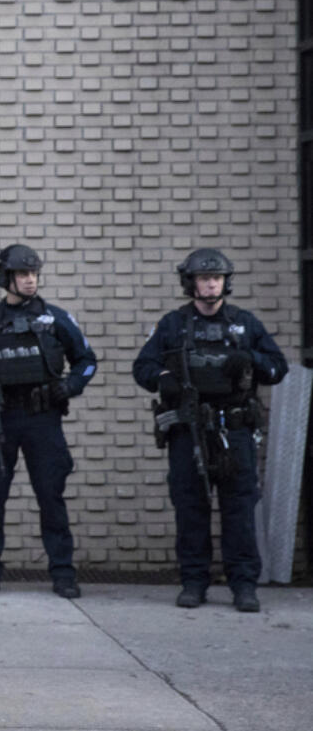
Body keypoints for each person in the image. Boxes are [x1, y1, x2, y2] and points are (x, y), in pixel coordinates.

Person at [132, 248, 287, 612]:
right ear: (191, 283)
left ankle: (243, 585)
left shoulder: (244, 323)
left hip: (234, 431)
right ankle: (194, 582)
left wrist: (251, 360)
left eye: (216, 277)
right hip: (189, 430)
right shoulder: (173, 324)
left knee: (239, 508)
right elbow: (142, 368)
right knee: (190, 507)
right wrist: (164, 379)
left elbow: (279, 368)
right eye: (204, 278)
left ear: (225, 282)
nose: (211, 284)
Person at [0, 244, 96, 598]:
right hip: (0, 418)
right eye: (22, 274)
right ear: (5, 278)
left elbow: (87, 362)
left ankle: (62, 574)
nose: (30, 281)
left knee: (51, 497)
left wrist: (69, 386)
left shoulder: (55, 318)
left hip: (43, 418)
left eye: (33, 274)